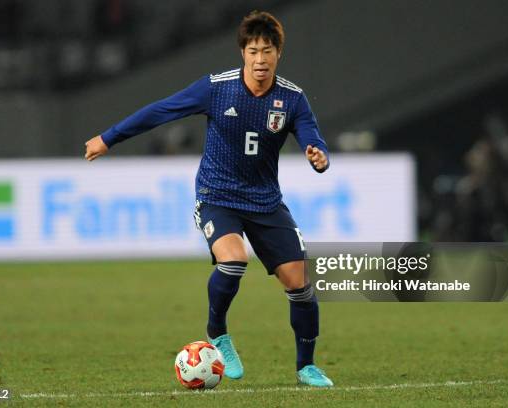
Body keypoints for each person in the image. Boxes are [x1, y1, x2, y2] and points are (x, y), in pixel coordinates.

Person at [84, 10, 333, 387]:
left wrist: (319, 154)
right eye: (253, 51)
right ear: (242, 53)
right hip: (217, 196)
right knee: (233, 261)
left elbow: (312, 136)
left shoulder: (292, 99)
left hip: (265, 202)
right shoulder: (217, 88)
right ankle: (218, 333)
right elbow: (160, 111)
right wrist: (108, 138)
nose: (260, 59)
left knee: (300, 285)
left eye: (267, 51)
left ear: (279, 53)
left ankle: (306, 367)